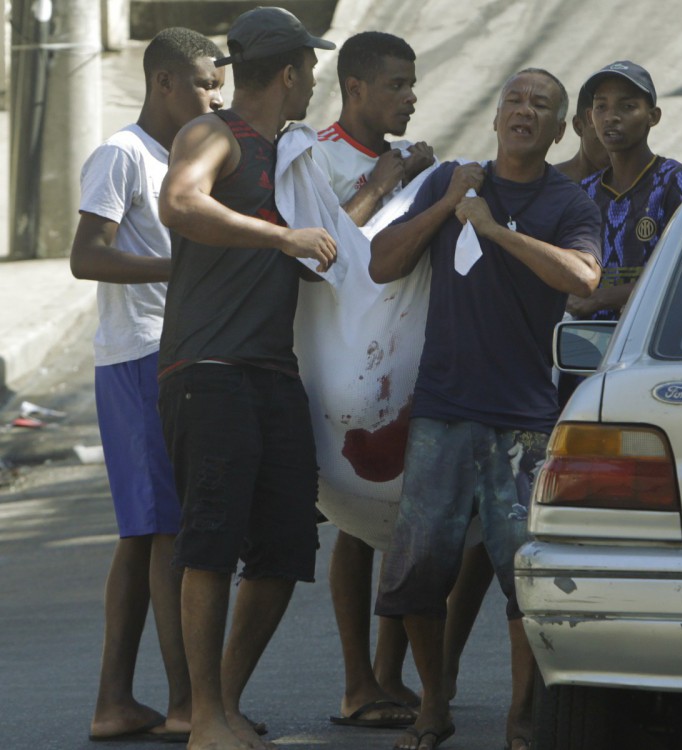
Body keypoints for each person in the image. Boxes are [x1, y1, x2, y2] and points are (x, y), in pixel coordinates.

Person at [369, 68, 602, 750]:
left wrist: (495, 231)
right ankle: (434, 704)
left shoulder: (568, 203)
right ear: (497, 118)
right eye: (515, 101)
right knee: (416, 573)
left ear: (560, 130)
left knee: (524, 579)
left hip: (524, 422)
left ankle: (522, 716)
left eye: (541, 106)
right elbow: (381, 262)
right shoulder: (452, 181)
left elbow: (584, 279)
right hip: (443, 410)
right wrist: (449, 205)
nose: (524, 112)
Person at [155, 7, 337, 750]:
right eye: (312, 69)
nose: (315, 81)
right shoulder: (214, 134)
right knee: (209, 544)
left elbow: (318, 246)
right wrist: (281, 234)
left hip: (272, 373)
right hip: (210, 370)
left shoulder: (288, 152)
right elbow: (180, 201)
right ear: (289, 71)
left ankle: (223, 706)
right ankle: (205, 720)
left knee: (287, 546)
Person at [71, 27, 223, 744]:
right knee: (166, 531)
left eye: (218, 82)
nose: (214, 95)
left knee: (142, 535)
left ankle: (114, 704)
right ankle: (188, 703)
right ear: (163, 82)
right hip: (136, 359)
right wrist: (180, 272)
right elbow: (86, 256)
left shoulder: (192, 158)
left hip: (177, 356)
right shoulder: (123, 155)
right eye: (202, 82)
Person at [309, 30, 433, 729]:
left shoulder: (410, 160)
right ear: (355, 87)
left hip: (401, 369)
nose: (410, 96)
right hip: (334, 368)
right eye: (395, 85)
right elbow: (323, 254)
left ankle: (388, 675)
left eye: (412, 84)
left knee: (403, 522)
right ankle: (358, 679)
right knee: (351, 527)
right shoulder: (317, 156)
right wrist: (385, 184)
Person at [568, 60, 682, 323]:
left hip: (655, 342)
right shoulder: (583, 193)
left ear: (653, 116)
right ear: (590, 119)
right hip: (586, 346)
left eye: (627, 107)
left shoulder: (677, 182)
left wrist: (601, 298)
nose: (611, 116)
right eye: (601, 107)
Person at [551, 82, 610, 183]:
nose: (616, 147)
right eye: (606, 137)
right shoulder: (549, 184)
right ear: (579, 126)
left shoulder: (641, 186)